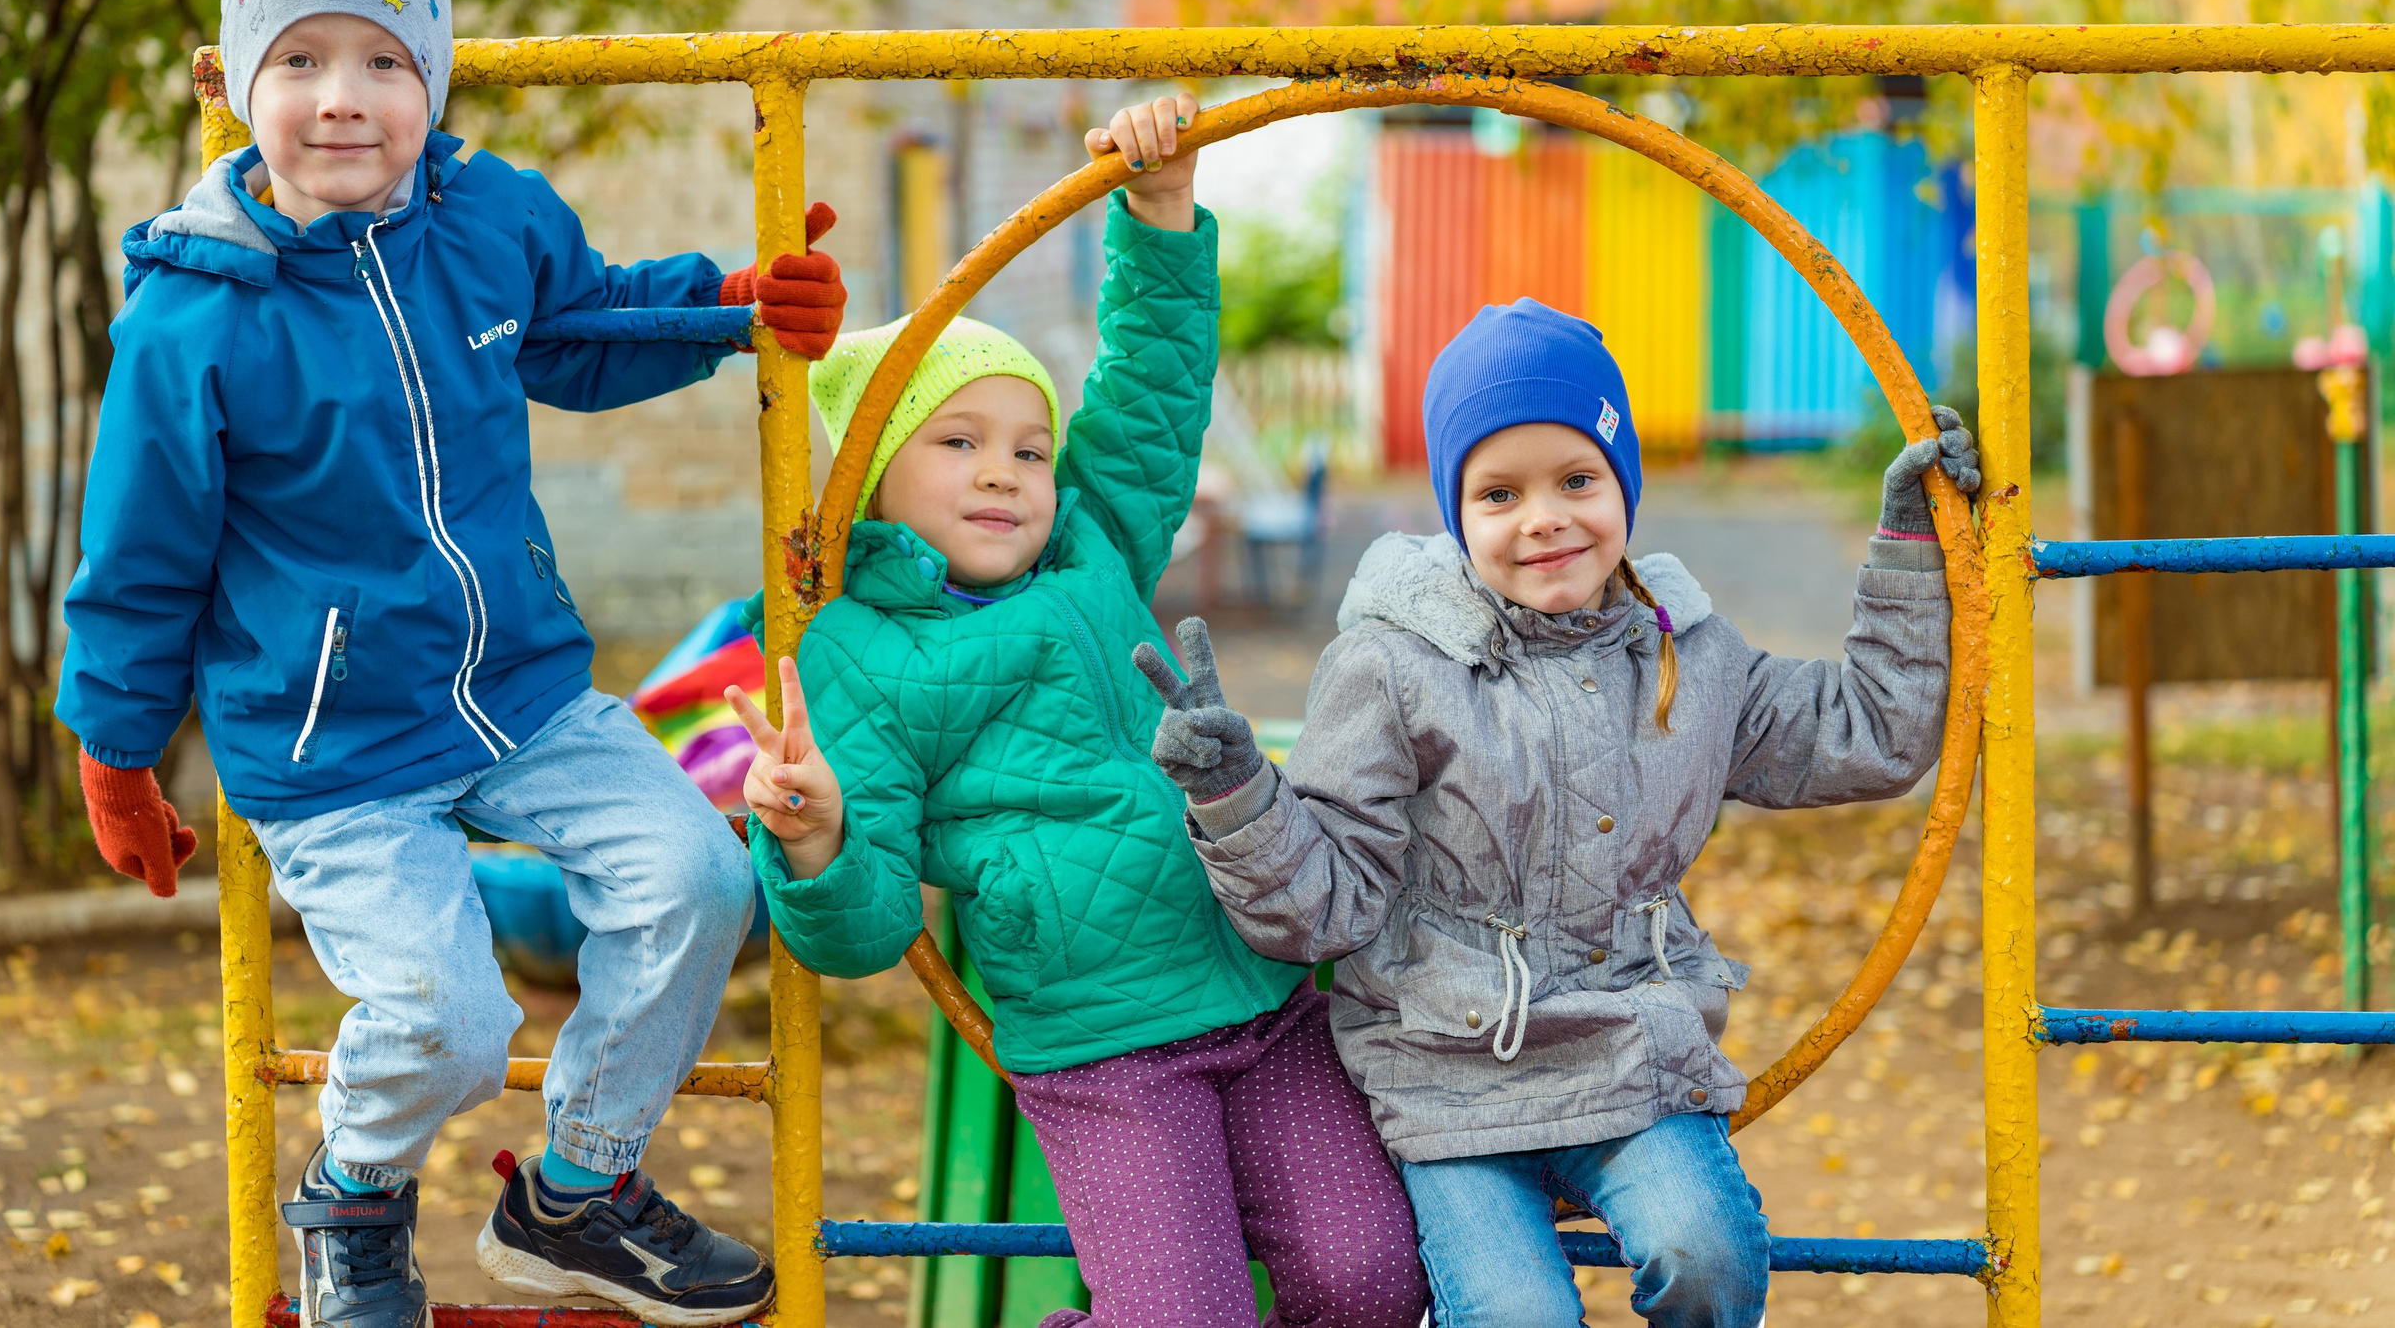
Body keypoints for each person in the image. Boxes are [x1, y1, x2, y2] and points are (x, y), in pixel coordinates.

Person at [55, 0, 848, 1328]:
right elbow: (139, 551)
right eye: (299, 61)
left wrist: (734, 309)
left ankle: (579, 1188)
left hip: (524, 691)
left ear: (435, 77)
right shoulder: (198, 314)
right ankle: (354, 1201)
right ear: (238, 87)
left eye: (383, 60)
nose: (342, 99)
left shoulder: (491, 220)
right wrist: (116, 754)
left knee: (701, 877)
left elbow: (582, 328)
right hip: (331, 750)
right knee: (451, 1016)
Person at [724, 91, 1428, 1328]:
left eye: (1028, 448)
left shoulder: (1095, 546)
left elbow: (1152, 397)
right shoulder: (854, 658)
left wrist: (1157, 210)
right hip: (1104, 1048)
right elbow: (866, 928)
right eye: (958, 442)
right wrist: (817, 842)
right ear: (872, 477)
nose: (1003, 470)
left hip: (1266, 992)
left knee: (1368, 1276)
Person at [1135, 299, 1976, 1328]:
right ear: (1455, 510)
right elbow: (1322, 912)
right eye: (1498, 493)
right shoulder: (1392, 668)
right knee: (1515, 1315)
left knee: (1703, 1251)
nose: (1544, 518)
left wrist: (1909, 543)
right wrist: (1237, 796)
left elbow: (1870, 732)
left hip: (1628, 1052)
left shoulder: (1685, 653)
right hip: (1446, 1069)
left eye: (1578, 479)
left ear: (1623, 485)